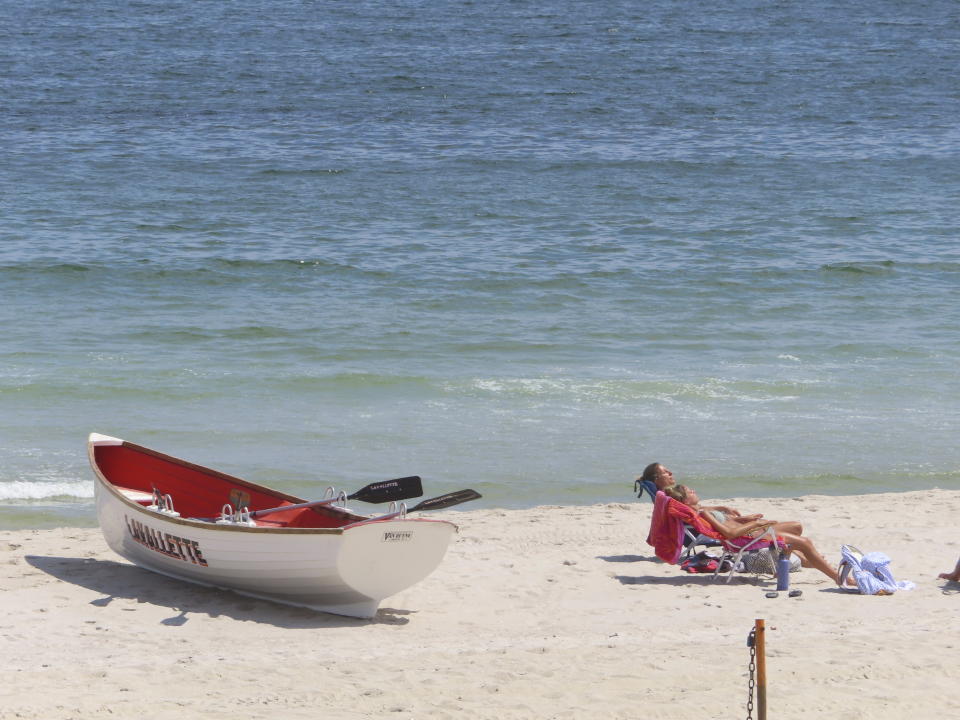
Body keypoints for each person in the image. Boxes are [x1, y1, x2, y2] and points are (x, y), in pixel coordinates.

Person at [662, 484, 850, 585]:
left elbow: (728, 523)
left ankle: (782, 566)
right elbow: (728, 533)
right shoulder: (703, 514)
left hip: (750, 532)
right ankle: (837, 578)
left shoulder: (700, 510)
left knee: (796, 527)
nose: (694, 490)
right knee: (805, 542)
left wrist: (745, 519)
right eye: (689, 491)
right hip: (747, 539)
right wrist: (756, 523)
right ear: (685, 499)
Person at [639, 462, 804, 536]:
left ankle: (796, 554)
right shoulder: (669, 497)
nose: (671, 473)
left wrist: (725, 511)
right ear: (656, 479)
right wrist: (732, 515)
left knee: (783, 530)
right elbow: (697, 514)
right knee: (793, 528)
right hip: (723, 531)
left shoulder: (665, 497)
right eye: (666, 472)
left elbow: (695, 512)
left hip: (723, 524)